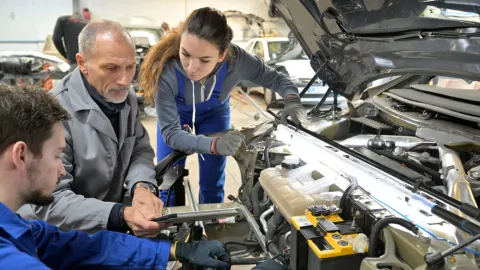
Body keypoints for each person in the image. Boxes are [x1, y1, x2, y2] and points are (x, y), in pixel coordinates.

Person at [0, 84, 231, 269]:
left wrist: (175, 249)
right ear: (20, 156)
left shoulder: (19, 228)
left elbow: (80, 246)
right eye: (57, 155)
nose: (62, 170)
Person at [139, 7, 306, 205]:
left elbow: (278, 79)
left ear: (221, 55)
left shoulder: (238, 61)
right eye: (186, 54)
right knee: (167, 179)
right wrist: (212, 144)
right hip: (176, 114)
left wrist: (293, 100)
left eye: (204, 60)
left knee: (213, 181)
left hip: (214, 114)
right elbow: (172, 135)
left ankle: (212, 225)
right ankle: (170, 226)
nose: (192, 67)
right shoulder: (166, 71)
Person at [17, 19, 165, 237]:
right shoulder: (52, 113)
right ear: (82, 63)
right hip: (59, 234)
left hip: (110, 220)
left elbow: (139, 149)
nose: (125, 80)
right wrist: (120, 215)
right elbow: (50, 200)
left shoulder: (126, 97)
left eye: (131, 67)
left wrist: (142, 186)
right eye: (111, 68)